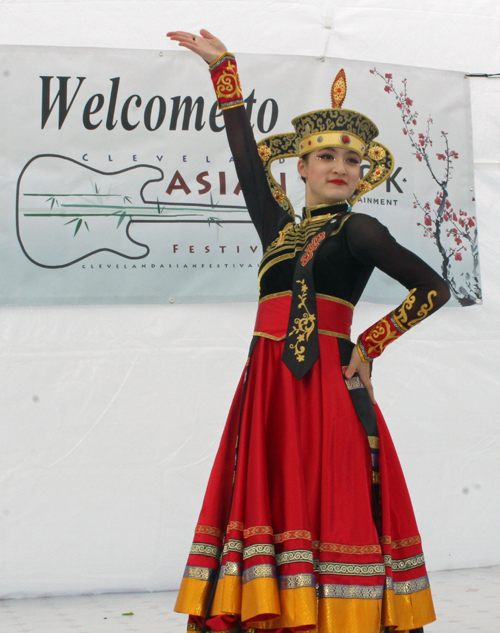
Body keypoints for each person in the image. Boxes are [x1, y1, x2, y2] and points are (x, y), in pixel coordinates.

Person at [167, 29, 450, 633]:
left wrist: (368, 346)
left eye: (353, 160)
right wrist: (226, 77)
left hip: (325, 382)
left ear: (363, 173)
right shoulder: (278, 230)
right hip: (267, 383)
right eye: (327, 157)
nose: (341, 167)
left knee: (332, 493)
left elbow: (433, 289)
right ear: (301, 167)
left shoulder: (360, 230)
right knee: (272, 495)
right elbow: (246, 162)